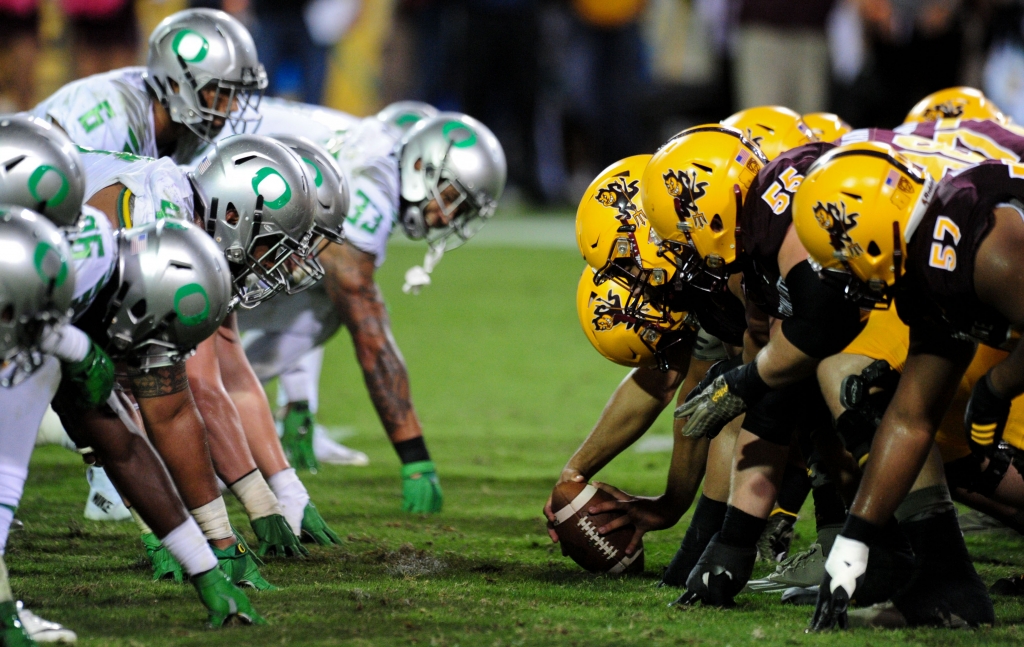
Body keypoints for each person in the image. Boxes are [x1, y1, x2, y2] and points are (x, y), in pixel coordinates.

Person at [0, 116, 263, 631]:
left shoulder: (79, 263)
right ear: (137, 307)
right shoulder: (55, 271)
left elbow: (120, 445)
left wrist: (203, 567)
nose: (147, 362)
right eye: (153, 342)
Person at [792, 140, 1024, 629]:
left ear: (872, 233)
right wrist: (854, 542)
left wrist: (996, 389)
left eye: (841, 257)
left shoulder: (982, 245)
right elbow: (910, 419)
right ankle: (948, 588)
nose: (843, 275)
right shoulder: (930, 261)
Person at [230, 109, 507, 513]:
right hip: (185, 205)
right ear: (418, 166)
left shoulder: (371, 148)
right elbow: (369, 332)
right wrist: (415, 456)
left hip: (221, 207)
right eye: (448, 198)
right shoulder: (371, 183)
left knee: (314, 287)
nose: (446, 217)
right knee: (331, 296)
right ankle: (154, 434)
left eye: (458, 210)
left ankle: (225, 404)